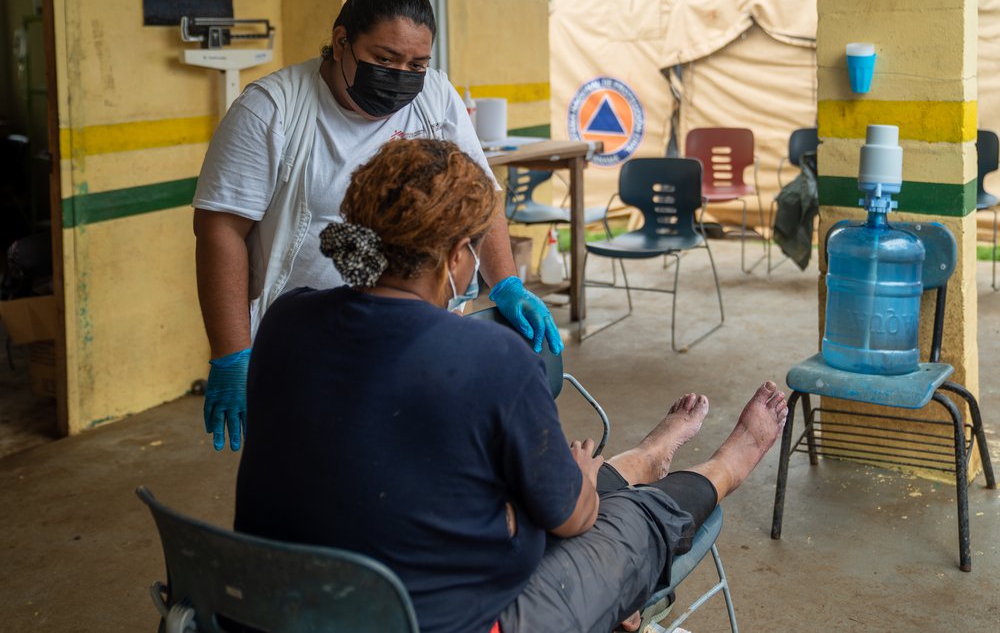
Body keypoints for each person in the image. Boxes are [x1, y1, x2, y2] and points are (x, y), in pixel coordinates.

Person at [234, 138, 789, 633]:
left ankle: (645, 455)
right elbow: (574, 518)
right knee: (626, 518)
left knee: (552, 483)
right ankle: (725, 467)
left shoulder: (286, 320)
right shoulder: (491, 356)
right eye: (475, 248)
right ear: (457, 257)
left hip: (282, 610)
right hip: (464, 620)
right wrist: (575, 486)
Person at [192, 0, 561, 452]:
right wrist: (232, 351)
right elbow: (220, 229)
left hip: (417, 333)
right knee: (315, 465)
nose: (402, 77)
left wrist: (507, 281)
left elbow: (481, 194)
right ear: (341, 41)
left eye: (416, 64)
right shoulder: (273, 110)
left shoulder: (433, 95)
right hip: (308, 343)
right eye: (385, 58)